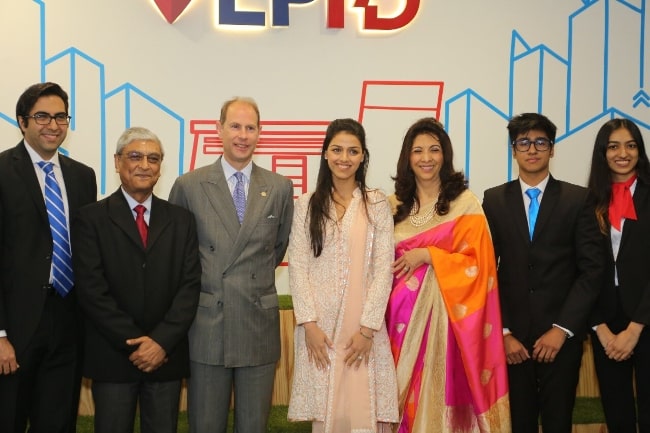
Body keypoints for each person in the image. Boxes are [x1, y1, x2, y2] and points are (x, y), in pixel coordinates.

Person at [168, 96, 294, 433]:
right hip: (208, 322)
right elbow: (177, 255)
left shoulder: (280, 187)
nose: (243, 135)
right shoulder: (189, 185)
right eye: (235, 126)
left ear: (260, 133)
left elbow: (277, 247)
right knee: (205, 424)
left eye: (250, 127)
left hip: (257, 321)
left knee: (254, 425)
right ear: (218, 129)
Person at [71, 127, 201, 433]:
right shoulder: (91, 219)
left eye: (153, 158)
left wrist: (160, 343)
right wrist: (135, 344)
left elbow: (189, 286)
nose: (145, 164)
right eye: (135, 156)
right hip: (113, 356)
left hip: (165, 357)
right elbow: (92, 290)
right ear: (117, 162)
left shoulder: (182, 220)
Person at [385, 117, 510, 432]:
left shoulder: (464, 203)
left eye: (434, 150)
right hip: (398, 324)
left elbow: (480, 265)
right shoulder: (392, 205)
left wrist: (429, 255)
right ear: (407, 157)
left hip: (450, 330)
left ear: (445, 155)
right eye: (418, 151)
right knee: (398, 402)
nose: (426, 158)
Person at [482, 112, 604, 433]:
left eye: (540, 142)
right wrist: (504, 333)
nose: (532, 149)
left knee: (558, 423)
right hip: (513, 344)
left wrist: (562, 329)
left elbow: (592, 271)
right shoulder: (493, 200)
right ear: (513, 150)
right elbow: (484, 271)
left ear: (552, 149)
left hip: (561, 339)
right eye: (524, 142)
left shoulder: (578, 200)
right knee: (518, 424)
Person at [287, 118, 398, 432]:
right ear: (325, 153)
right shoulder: (308, 204)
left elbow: (382, 269)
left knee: (365, 408)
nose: (344, 158)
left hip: (364, 330)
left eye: (353, 151)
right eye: (336, 149)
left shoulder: (376, 203)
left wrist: (367, 330)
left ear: (363, 156)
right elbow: (298, 265)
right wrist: (308, 323)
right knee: (326, 409)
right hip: (319, 332)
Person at [0, 82, 97, 433]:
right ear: (22, 122)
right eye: (42, 116)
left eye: (60, 116)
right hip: (14, 329)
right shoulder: (2, 170)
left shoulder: (83, 177)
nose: (53, 125)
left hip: (68, 322)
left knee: (58, 422)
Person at [587, 118, 650, 433]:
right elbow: (582, 270)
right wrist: (600, 328)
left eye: (631, 145)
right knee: (617, 413)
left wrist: (636, 328)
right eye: (613, 146)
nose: (622, 153)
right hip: (605, 325)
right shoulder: (587, 202)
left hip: (646, 318)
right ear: (603, 152)